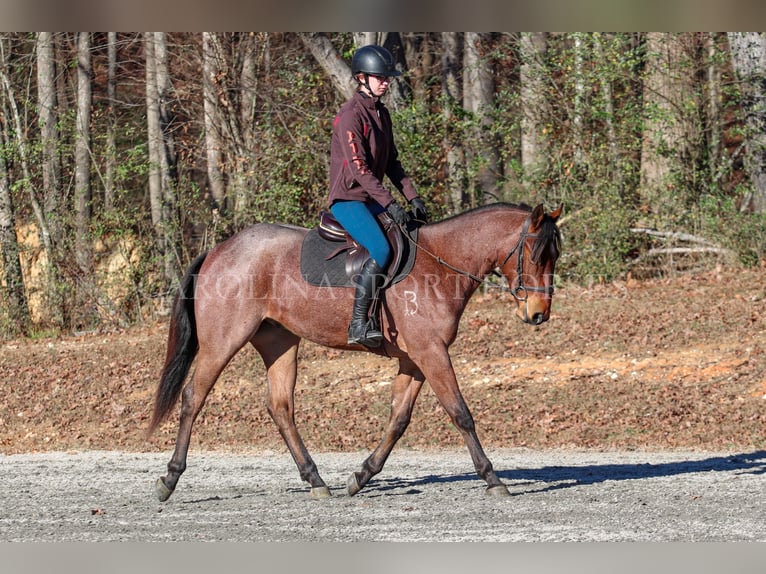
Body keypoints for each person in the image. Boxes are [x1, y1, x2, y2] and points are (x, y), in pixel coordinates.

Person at [328, 44, 428, 348]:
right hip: (348, 199)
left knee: (412, 237)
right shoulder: (350, 116)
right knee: (381, 250)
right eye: (379, 77)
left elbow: (393, 163)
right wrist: (390, 203)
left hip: (371, 197)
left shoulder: (382, 113)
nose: (385, 82)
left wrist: (413, 197)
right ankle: (359, 323)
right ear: (362, 77)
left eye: (387, 78)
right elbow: (359, 170)